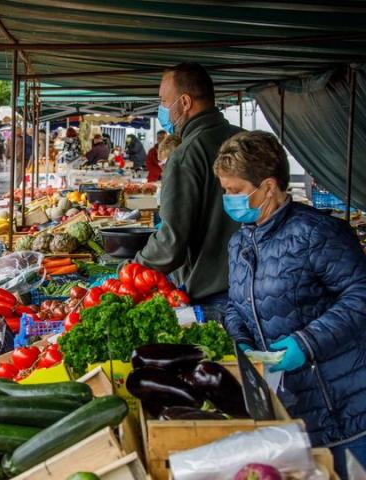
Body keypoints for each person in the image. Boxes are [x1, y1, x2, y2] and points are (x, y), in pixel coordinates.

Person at [214, 131, 366, 478]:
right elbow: (236, 305)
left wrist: (305, 343)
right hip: (291, 407)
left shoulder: (319, 233)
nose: (228, 199)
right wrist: (240, 341)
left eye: (235, 190)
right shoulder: (240, 242)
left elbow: (360, 294)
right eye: (225, 190)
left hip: (344, 404)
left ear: (268, 186)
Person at [134, 62, 242, 320]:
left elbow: (171, 243)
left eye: (163, 100)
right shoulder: (243, 141)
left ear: (184, 102)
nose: (161, 109)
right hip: (252, 289)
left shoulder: (186, 155)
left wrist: (134, 266)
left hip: (211, 294)